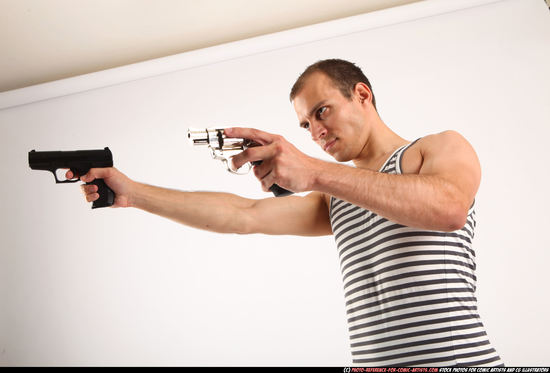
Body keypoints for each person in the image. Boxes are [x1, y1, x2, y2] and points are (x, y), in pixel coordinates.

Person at [70, 59, 503, 367]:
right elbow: (243, 215)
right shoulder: (337, 198)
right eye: (305, 126)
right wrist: (134, 194)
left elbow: (448, 208)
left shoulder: (438, 147)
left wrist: (314, 171)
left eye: (322, 111)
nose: (316, 132)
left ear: (362, 95)